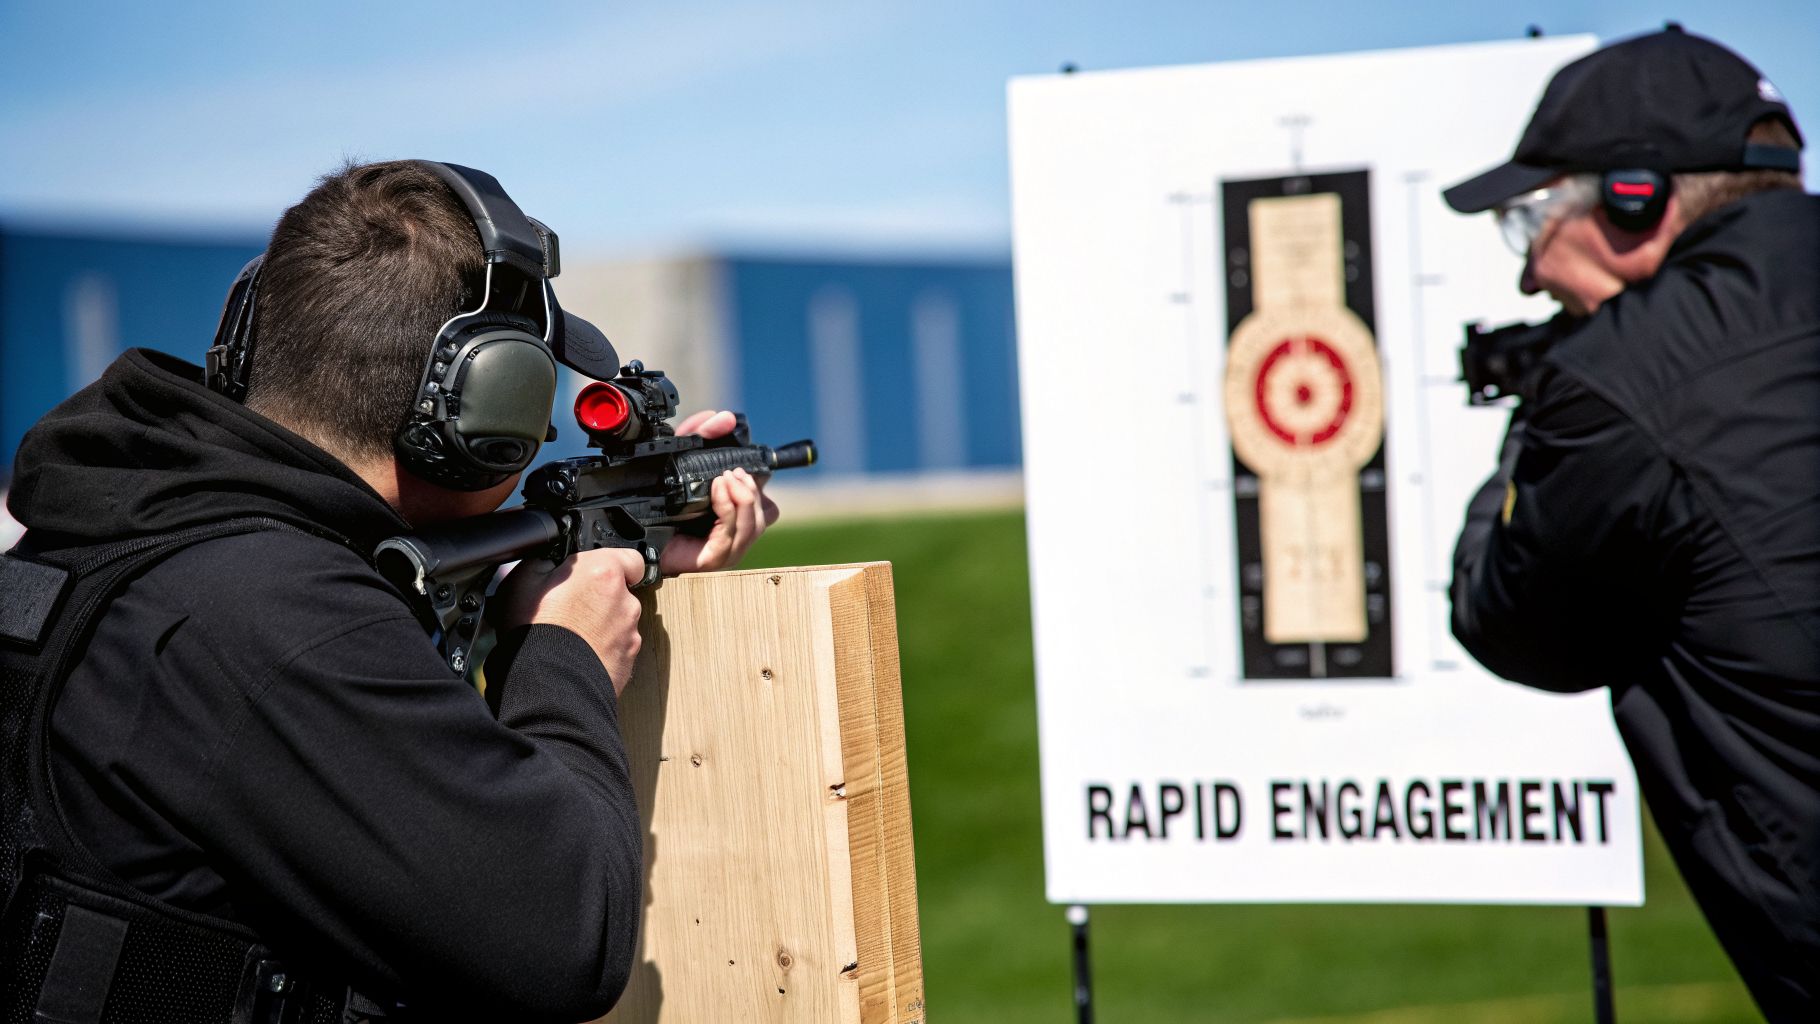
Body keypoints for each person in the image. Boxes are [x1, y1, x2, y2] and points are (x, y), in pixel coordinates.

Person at [0, 160, 776, 1022]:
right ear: (478, 415)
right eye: (534, 404)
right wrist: (564, 659)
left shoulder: (135, 534)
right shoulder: (285, 622)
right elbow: (565, 937)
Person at [1444, 27, 1818, 1021]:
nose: (1528, 275)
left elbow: (1512, 623)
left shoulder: (1612, 386)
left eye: (1530, 220)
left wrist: (1536, 413)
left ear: (1633, 199)